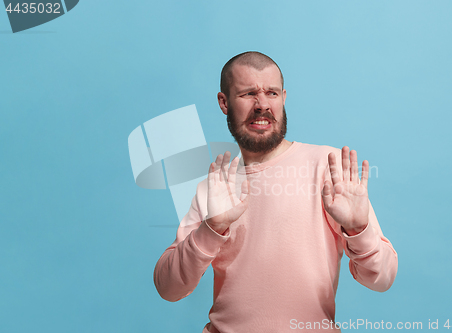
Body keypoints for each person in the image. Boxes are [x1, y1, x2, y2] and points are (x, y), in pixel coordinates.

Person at [154, 51, 398, 332]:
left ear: (283, 97)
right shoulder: (217, 186)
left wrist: (358, 230)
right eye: (247, 94)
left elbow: (382, 278)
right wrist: (212, 228)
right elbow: (168, 288)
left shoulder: (329, 168)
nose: (262, 105)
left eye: (271, 93)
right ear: (224, 102)